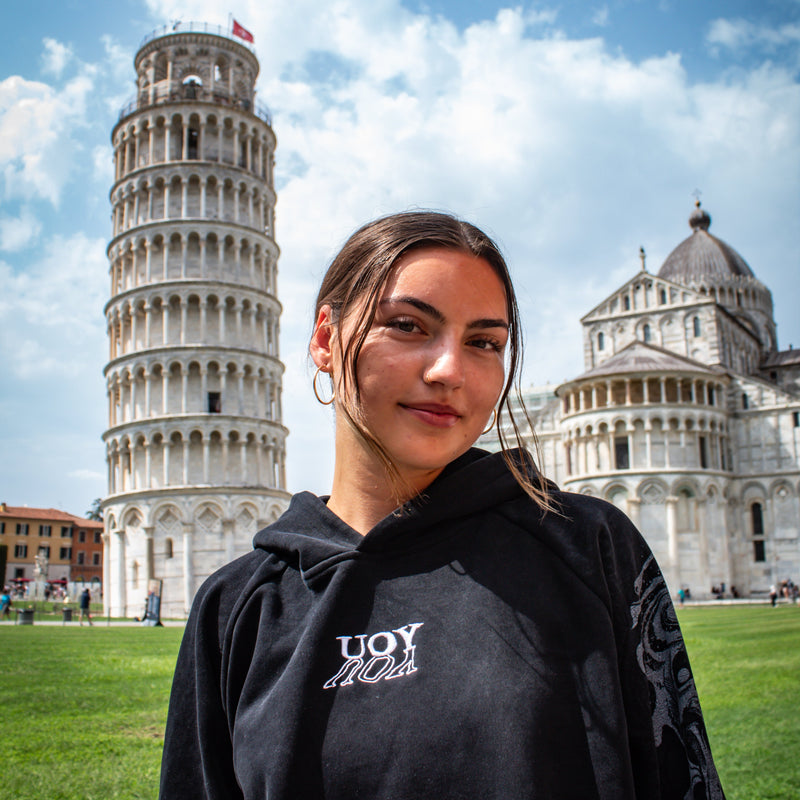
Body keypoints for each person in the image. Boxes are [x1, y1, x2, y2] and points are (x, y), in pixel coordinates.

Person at [159, 211, 725, 799]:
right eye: (406, 325)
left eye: (484, 342)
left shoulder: (587, 545)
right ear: (326, 340)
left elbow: (681, 781)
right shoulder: (236, 608)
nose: (450, 370)